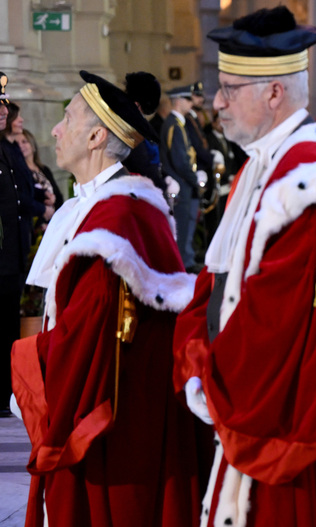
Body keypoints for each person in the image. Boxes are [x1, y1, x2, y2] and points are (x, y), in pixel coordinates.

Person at [172, 7, 316, 526]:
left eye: (231, 88)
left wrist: (205, 372)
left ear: (274, 93)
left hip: (286, 422)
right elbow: (215, 278)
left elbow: (276, 326)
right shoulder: (264, 161)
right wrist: (192, 351)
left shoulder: (312, 180)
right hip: (249, 400)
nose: (218, 102)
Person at [10, 70, 202, 526]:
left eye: (68, 118)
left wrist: (20, 361)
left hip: (108, 432)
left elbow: (86, 341)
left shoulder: (118, 218)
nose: (55, 129)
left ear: (97, 136)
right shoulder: (94, 207)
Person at [0, 72, 26, 418]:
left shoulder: (5, 149)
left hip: (9, 258)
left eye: (4, 103)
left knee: (7, 324)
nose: (3, 110)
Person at [160, 84, 203, 271]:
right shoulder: (173, 125)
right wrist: (194, 179)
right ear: (177, 101)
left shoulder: (178, 124)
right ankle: (181, 270)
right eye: (187, 99)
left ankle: (184, 266)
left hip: (183, 184)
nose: (190, 102)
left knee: (184, 230)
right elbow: (180, 161)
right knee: (180, 231)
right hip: (180, 185)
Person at [17, 129, 64, 229]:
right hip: (37, 227)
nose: (21, 146)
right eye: (17, 143)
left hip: (55, 222)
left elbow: (58, 196)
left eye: (24, 141)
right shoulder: (20, 173)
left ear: (32, 145)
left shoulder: (44, 169)